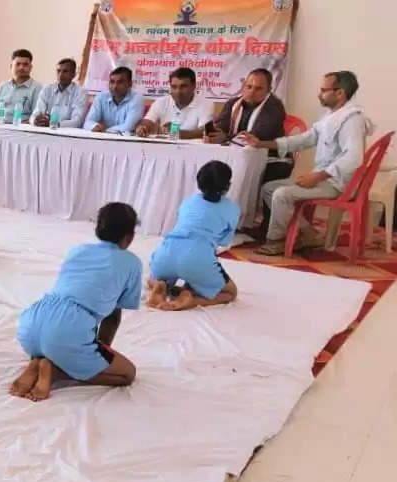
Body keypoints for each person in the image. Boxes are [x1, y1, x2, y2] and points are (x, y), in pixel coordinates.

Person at [10, 203, 141, 402]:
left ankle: (37, 361)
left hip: (31, 324)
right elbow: (113, 318)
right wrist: (96, 359)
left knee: (54, 343)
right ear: (129, 237)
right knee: (127, 374)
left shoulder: (76, 251)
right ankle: (54, 372)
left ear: (98, 229)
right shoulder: (132, 263)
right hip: (68, 330)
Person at [241, 71, 371, 256]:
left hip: (337, 183)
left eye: (324, 90)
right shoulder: (331, 115)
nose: (319, 94)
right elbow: (306, 139)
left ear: (340, 93)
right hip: (323, 178)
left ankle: (275, 241)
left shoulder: (352, 120)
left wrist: (318, 176)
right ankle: (308, 233)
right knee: (269, 188)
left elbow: (353, 157)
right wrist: (262, 143)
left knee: (282, 194)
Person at [147, 161, 240, 311]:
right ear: (227, 186)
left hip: (165, 254)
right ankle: (192, 298)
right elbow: (224, 241)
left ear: (199, 183)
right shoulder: (232, 209)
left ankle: (159, 285)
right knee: (230, 292)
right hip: (198, 259)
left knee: (153, 276)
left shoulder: (188, 201)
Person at [208, 68, 291, 185]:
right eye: (249, 86)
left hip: (273, 160)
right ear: (243, 86)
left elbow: (253, 137)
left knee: (240, 176)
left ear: (269, 90)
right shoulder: (232, 103)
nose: (252, 92)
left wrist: (225, 138)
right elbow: (222, 126)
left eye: (258, 88)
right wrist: (214, 134)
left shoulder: (274, 107)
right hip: (238, 155)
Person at [134, 67, 214, 139]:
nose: (178, 92)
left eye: (183, 87)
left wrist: (175, 132)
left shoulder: (206, 104)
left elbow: (204, 130)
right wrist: (142, 127)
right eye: (174, 87)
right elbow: (148, 121)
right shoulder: (161, 102)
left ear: (194, 86)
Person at [0, 49, 43, 123]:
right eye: (18, 64)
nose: (21, 67)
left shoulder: (37, 88)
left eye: (25, 64)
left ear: (31, 67)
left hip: (23, 131)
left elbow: (36, 116)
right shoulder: (3, 86)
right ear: (11, 66)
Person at [84, 67, 145, 134]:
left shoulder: (136, 99)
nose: (115, 86)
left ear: (130, 84)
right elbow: (88, 122)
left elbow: (128, 127)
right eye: (112, 82)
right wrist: (94, 126)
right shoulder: (101, 97)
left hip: (125, 142)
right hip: (102, 140)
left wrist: (105, 130)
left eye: (120, 82)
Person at [30, 58, 88, 128]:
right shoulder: (47, 89)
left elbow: (77, 121)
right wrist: (35, 120)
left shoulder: (80, 92)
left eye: (65, 71)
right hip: (46, 130)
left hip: (68, 133)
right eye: (58, 71)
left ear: (73, 74)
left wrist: (55, 124)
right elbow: (35, 114)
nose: (60, 75)